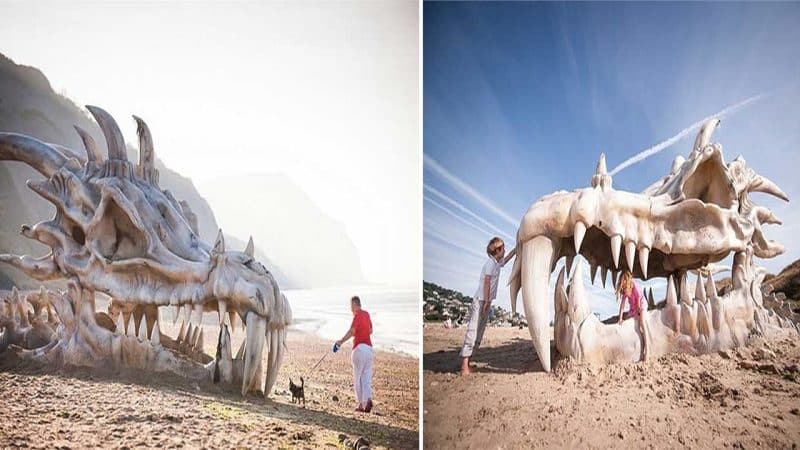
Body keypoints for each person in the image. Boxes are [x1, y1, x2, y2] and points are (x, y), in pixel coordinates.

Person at [460, 236, 516, 375]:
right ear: (497, 250)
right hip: (480, 301)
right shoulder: (490, 264)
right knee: (473, 331)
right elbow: (486, 282)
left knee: (480, 331)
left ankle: (469, 361)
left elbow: (507, 259)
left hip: (486, 302)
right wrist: (486, 302)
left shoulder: (497, 263)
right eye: (503, 247)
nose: (505, 249)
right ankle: (464, 366)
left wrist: (517, 249)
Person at [335, 295, 374, 412]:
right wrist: (363, 332)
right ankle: (367, 399)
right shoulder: (367, 314)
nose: (350, 309)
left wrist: (340, 342)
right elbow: (371, 330)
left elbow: (352, 331)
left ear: (354, 305)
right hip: (369, 349)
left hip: (359, 349)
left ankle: (361, 405)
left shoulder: (357, 315)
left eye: (351, 306)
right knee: (366, 378)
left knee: (357, 379)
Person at [616, 270, 650, 361]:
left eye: (624, 287)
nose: (624, 291)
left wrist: (638, 313)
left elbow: (639, 299)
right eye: (622, 288)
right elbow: (622, 306)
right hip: (633, 308)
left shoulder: (635, 287)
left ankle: (647, 349)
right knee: (627, 322)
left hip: (641, 305)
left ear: (628, 283)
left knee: (642, 322)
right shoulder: (625, 292)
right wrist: (621, 318)